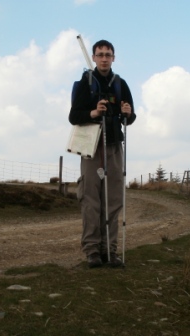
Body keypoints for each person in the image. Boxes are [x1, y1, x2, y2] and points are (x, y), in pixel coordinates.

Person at [69, 39, 136, 268]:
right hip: (92, 147)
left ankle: (110, 250)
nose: (104, 58)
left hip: (114, 144)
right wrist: (94, 112)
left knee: (113, 199)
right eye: (100, 54)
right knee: (91, 200)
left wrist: (128, 113)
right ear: (94, 57)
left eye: (108, 54)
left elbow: (130, 117)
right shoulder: (84, 83)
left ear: (113, 58)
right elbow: (74, 116)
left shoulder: (120, 84)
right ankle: (92, 251)